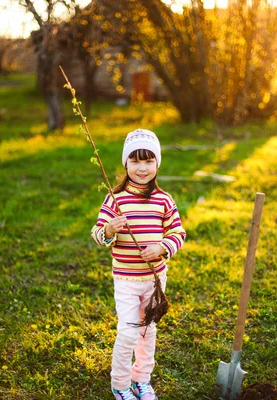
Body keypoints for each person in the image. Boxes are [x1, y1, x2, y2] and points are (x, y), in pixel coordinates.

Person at [91, 129, 186, 400]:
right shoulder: (115, 199)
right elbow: (97, 233)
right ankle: (120, 384)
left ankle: (141, 379)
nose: (142, 168)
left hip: (155, 279)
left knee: (148, 330)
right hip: (126, 280)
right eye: (135, 161)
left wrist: (162, 247)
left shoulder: (164, 200)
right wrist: (109, 230)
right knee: (128, 331)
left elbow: (178, 233)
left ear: (157, 164)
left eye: (148, 161)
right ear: (126, 164)